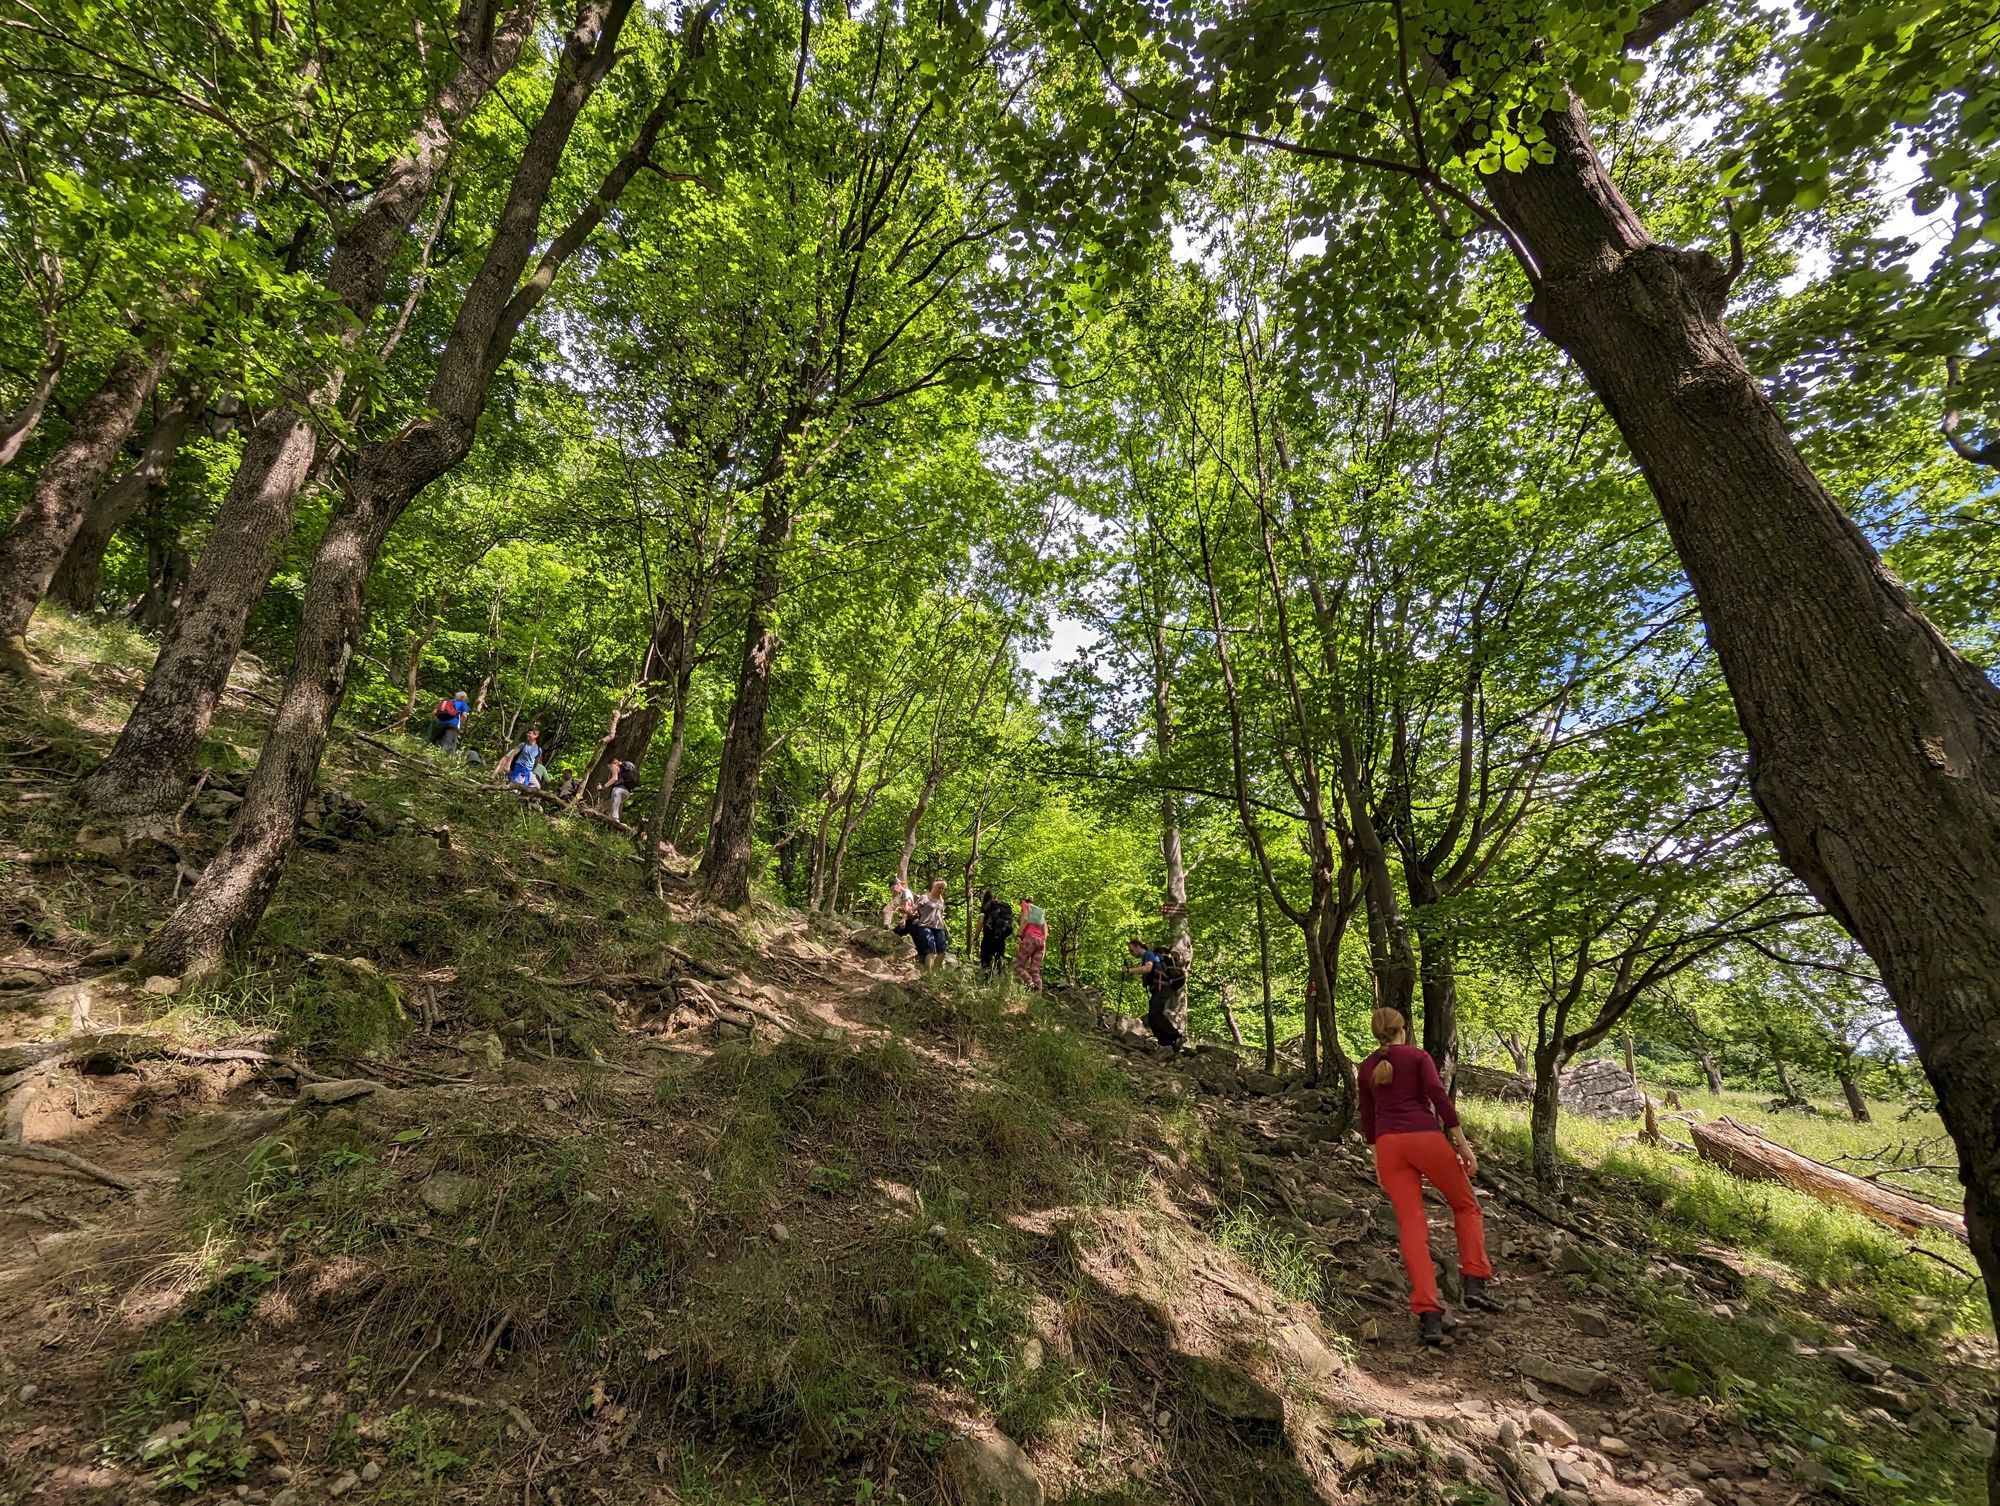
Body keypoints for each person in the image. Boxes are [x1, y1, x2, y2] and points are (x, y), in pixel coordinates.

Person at [1357, 1005, 1498, 1345]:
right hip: (1426, 1139)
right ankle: (1474, 1281)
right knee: (1465, 1205)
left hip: (1390, 1148)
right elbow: (1438, 1097)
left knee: (1412, 1226)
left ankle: (1429, 1316)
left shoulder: (1365, 1067)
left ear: (1377, 1034)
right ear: (1402, 1029)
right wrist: (1462, 1144)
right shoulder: (1418, 1058)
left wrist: (1377, 1161)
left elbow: (1367, 1116)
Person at [1125, 938, 1186, 1050]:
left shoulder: (1148, 954)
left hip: (1163, 987)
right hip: (1160, 988)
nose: (1131, 954)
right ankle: (1168, 1044)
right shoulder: (1148, 957)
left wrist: (1130, 970)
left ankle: (1177, 1037)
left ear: (1138, 946)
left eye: (1132, 950)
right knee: (1152, 1019)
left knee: (1155, 1014)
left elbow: (1148, 968)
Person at [910, 879, 948, 969]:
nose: (941, 890)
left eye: (943, 889)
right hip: (925, 926)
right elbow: (913, 909)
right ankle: (929, 975)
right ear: (934, 887)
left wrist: (945, 929)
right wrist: (906, 912)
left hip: (939, 927)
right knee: (931, 951)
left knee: (942, 952)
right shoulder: (925, 897)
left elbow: (941, 915)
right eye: (939, 888)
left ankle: (936, 972)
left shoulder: (941, 900)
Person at [977, 889, 1014, 977]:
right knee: (999, 961)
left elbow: (980, 922)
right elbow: (1011, 922)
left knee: (986, 959)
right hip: (1001, 938)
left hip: (988, 937)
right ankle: (999, 982)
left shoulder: (986, 907)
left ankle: (986, 981)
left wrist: (976, 936)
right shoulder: (1003, 908)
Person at [1013, 896, 1046, 991]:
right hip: (1040, 941)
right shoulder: (1039, 911)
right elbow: (1044, 929)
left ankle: (1030, 983)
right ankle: (1038, 994)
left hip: (1029, 938)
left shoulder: (1025, 905)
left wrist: (1019, 935)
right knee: (1035, 970)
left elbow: (1025, 919)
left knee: (1018, 966)